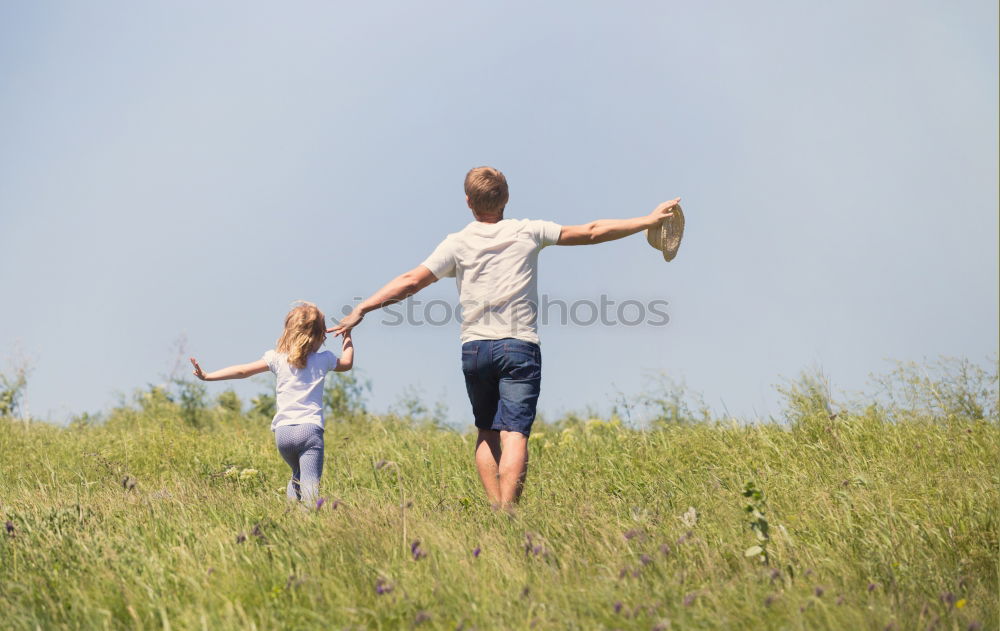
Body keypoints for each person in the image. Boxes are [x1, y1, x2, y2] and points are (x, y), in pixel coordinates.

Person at [331, 166, 679, 509]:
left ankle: (497, 511)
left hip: (475, 349)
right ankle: (508, 510)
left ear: (468, 202)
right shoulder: (527, 231)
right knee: (515, 433)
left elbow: (410, 281)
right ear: (507, 198)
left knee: (486, 431)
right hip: (519, 346)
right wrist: (647, 221)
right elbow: (590, 231)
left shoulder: (457, 243)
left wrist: (363, 308)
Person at [190, 301, 354, 504]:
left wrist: (208, 376)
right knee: (310, 481)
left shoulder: (277, 358)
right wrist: (347, 335)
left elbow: (243, 371)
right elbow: (347, 363)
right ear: (321, 335)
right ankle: (309, 520)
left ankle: (291, 516)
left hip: (283, 433)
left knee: (297, 474)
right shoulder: (325, 359)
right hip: (309, 429)